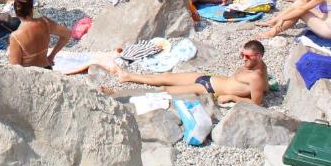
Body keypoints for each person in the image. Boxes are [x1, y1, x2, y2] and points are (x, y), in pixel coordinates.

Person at [110, 41, 268, 105]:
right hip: (208, 78)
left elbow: (257, 103)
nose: (244, 59)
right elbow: (265, 87)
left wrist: (233, 97)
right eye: (242, 55)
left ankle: (118, 95)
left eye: (247, 57)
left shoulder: (256, 77)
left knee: (165, 91)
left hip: (208, 89)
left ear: (259, 56)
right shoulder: (260, 66)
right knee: (166, 77)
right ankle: (127, 76)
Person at [8, 0, 72, 68]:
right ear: (32, 9)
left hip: (31, 73)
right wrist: (52, 56)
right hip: (46, 68)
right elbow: (67, 34)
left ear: (16, 14)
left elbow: (15, 68)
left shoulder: (15, 37)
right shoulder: (45, 22)